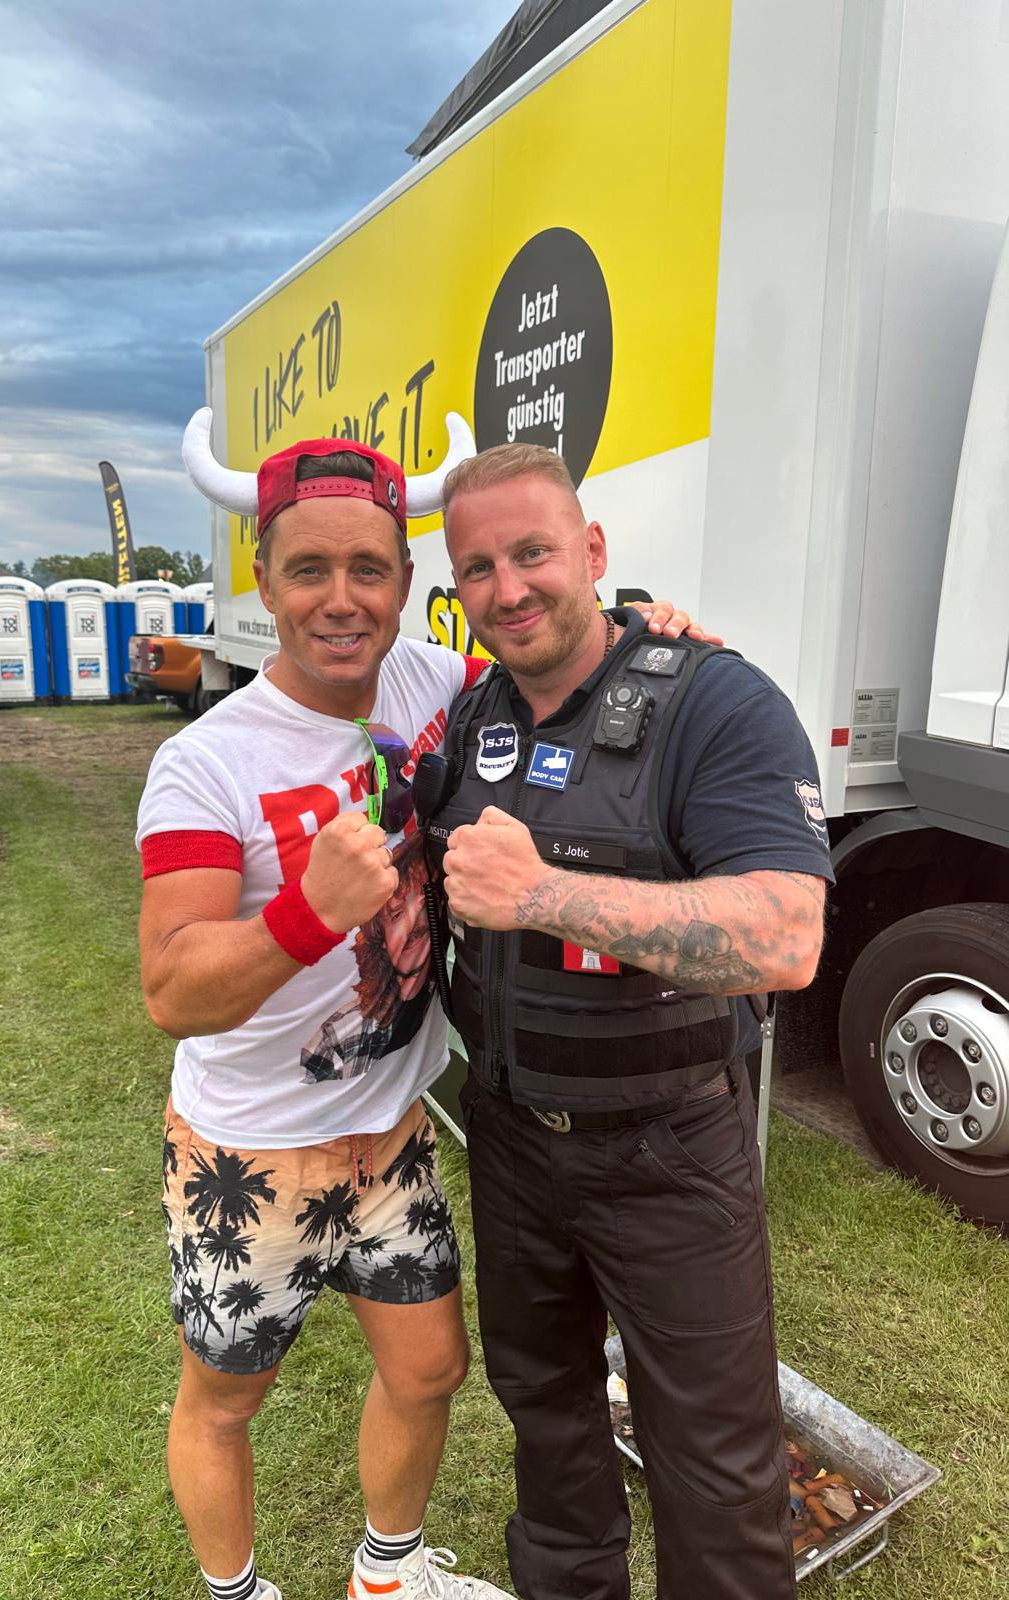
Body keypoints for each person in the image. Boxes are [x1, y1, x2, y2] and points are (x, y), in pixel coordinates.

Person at [138, 411, 709, 1600]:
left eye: (369, 568)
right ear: (264, 582)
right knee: (225, 1399)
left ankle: (385, 1579)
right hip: (249, 1151)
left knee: (430, 1369)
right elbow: (173, 987)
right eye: (309, 570)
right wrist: (307, 914)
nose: (341, 599)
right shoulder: (206, 761)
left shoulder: (434, 680)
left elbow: (557, 661)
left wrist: (647, 627)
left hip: (392, 1134)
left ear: (407, 582)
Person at [429, 444, 833, 1600]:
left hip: (670, 1151)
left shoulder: (715, 701)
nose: (509, 587)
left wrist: (543, 892)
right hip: (512, 1141)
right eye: (478, 567)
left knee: (716, 1465)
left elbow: (786, 935)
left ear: (594, 551)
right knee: (547, 1417)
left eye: (534, 552)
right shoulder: (468, 717)